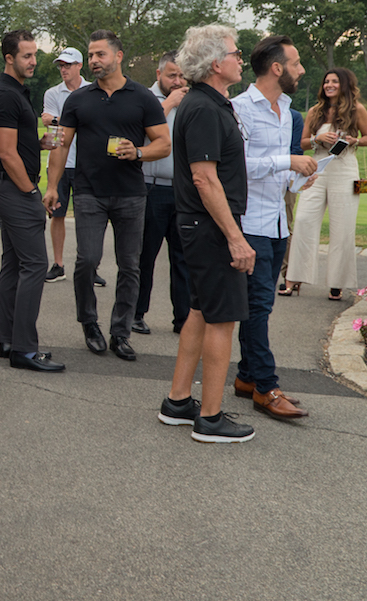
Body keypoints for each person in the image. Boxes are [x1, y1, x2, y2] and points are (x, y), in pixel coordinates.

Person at [157, 24, 256, 444]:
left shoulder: (208, 103)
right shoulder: (203, 108)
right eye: (235, 53)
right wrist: (235, 237)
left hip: (203, 225)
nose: (240, 59)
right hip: (211, 227)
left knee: (199, 311)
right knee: (222, 319)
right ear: (216, 63)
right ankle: (211, 418)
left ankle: (179, 401)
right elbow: (204, 178)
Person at [48, 30, 169, 362]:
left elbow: (164, 143)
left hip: (131, 194)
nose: (93, 61)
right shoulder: (78, 99)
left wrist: (139, 152)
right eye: (90, 55)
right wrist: (51, 186)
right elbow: (60, 145)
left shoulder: (142, 97)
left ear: (118, 56)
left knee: (130, 266)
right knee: (87, 260)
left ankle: (121, 332)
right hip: (89, 192)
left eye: (99, 54)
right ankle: (89, 323)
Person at [232, 34, 317, 420]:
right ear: (277, 67)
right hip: (249, 223)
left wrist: (301, 177)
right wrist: (287, 161)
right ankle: (266, 387)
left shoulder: (289, 112)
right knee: (257, 307)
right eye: (296, 63)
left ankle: (247, 377)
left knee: (258, 309)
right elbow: (237, 166)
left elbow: (283, 175)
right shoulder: (239, 109)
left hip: (278, 224)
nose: (302, 70)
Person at [0, 31, 65, 372]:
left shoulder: (18, 91)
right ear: (9, 58)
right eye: (26, 55)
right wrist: (31, 193)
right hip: (14, 190)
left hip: (11, 188)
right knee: (36, 265)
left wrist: (39, 144)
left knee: (14, 264)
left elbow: (15, 144)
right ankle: (23, 349)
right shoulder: (6, 95)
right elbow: (6, 154)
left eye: (35, 54)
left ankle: (9, 340)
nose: (33, 61)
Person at [285, 68, 367, 300]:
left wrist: (354, 140)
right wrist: (318, 138)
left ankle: (337, 282)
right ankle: (294, 277)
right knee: (303, 220)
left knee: (343, 227)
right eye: (326, 82)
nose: (329, 85)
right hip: (317, 169)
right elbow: (303, 142)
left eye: (334, 81)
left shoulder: (357, 110)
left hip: (345, 170)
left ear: (344, 84)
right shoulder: (315, 111)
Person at [133, 51, 191, 335]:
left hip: (182, 191)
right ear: (159, 74)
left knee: (183, 258)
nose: (177, 81)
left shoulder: (191, 100)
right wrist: (167, 105)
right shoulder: (144, 99)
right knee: (144, 256)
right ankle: (136, 313)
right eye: (172, 75)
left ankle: (183, 318)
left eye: (182, 76)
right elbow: (139, 138)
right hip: (151, 188)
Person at [40, 47, 99, 284]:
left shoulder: (93, 90)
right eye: (61, 66)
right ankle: (58, 264)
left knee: (90, 216)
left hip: (88, 163)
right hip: (61, 163)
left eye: (68, 65)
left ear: (79, 66)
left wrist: (57, 119)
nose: (63, 69)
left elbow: (87, 126)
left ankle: (90, 267)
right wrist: (61, 123)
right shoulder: (53, 93)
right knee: (58, 214)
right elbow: (55, 132)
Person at [277, 107, 305, 295]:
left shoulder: (293, 116)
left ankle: (289, 275)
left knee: (284, 225)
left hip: (285, 177)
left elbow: (296, 150)